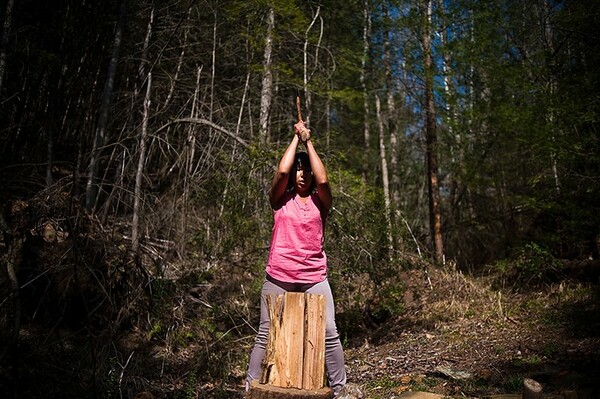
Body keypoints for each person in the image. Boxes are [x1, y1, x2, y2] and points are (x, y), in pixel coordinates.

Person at [246, 121, 347, 396]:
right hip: (278, 275)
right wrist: (294, 138)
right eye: (298, 170)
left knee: (329, 333)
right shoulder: (280, 199)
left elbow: (324, 179)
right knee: (265, 334)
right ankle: (249, 389)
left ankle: (340, 391)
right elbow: (281, 170)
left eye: (307, 171)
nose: (303, 174)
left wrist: (308, 142)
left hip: (314, 277)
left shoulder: (320, 201)